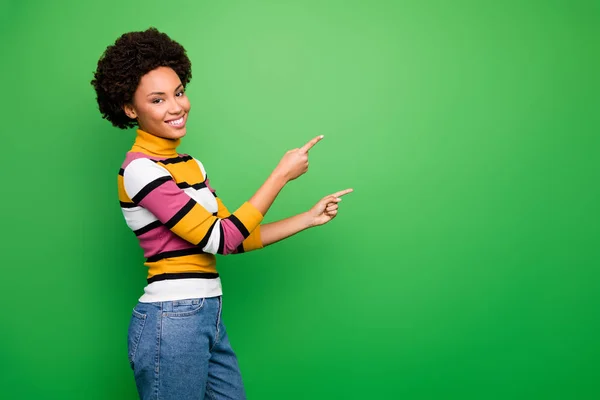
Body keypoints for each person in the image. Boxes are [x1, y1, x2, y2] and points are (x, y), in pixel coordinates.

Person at [91, 27, 352, 400]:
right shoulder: (140, 170)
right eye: (158, 100)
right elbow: (222, 240)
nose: (177, 106)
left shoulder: (191, 165)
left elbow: (235, 234)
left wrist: (308, 218)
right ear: (130, 108)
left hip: (205, 314)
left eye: (179, 93)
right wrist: (281, 176)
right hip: (172, 319)